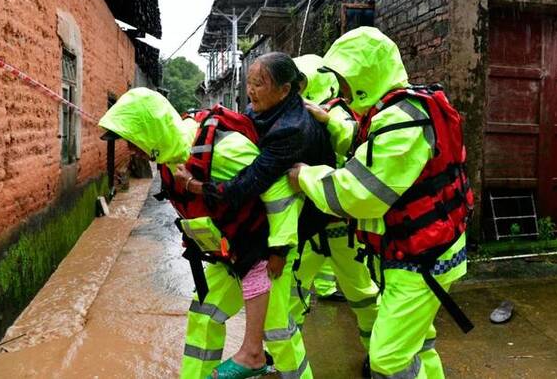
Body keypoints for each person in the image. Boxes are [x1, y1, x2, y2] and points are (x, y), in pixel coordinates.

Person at [288, 27, 473, 379]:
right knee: (417, 341)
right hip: (426, 250)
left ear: (364, 76)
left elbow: (360, 194)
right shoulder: (398, 109)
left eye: (345, 81)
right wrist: (330, 123)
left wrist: (304, 176)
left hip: (422, 259)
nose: (341, 91)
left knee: (388, 358)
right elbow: (371, 149)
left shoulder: (401, 119)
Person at [99, 88, 298, 379]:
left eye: (131, 141)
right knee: (204, 315)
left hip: (271, 250)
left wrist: (280, 249)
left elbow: (280, 190)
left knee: (276, 330)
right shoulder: (169, 157)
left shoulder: (223, 149)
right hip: (234, 253)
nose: (130, 150)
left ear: (150, 131)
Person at [180, 52, 335, 379]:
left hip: (286, 232)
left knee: (277, 328)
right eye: (248, 83)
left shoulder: (293, 129)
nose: (250, 91)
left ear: (284, 89)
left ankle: (258, 357)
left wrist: (194, 186)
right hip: (250, 236)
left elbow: (249, 185)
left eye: (259, 84)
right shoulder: (260, 111)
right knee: (205, 310)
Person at [290, 54, 379, 374]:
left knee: (362, 293)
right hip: (311, 226)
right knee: (293, 293)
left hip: (340, 223)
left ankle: (378, 354)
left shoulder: (339, 115)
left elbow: (356, 155)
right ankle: (287, 357)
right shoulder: (300, 113)